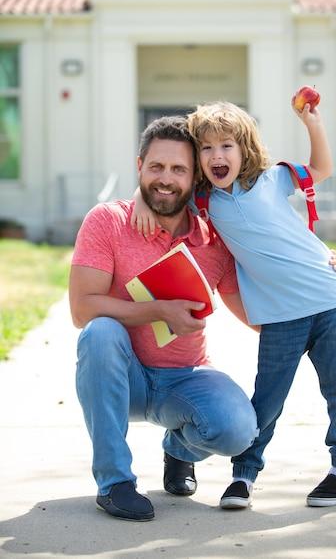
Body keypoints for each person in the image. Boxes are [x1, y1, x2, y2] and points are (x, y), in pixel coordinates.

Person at [133, 100, 336, 511]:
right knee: (267, 401)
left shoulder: (273, 180)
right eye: (205, 149)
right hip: (279, 317)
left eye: (226, 146)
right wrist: (138, 199)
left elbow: (322, 168)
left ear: (245, 149)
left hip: (329, 300)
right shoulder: (204, 201)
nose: (217, 156)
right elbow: (162, 190)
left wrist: (314, 123)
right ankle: (245, 473)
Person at [69, 116, 260, 522]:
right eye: (156, 167)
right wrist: (157, 310)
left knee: (238, 430)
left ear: (195, 178)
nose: (165, 179)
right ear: (139, 166)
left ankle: (178, 452)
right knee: (99, 332)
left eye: (179, 169)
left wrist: (319, 276)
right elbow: (82, 308)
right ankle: (115, 483)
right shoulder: (108, 221)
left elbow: (254, 316)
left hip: (184, 376)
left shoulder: (214, 236)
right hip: (125, 377)